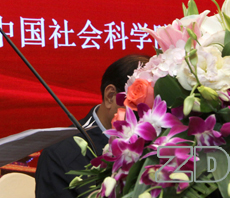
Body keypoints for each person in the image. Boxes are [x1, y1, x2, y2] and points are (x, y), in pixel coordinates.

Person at [34, 54, 150, 198]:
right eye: (139, 108)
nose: (147, 120)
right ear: (110, 96)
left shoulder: (158, 147)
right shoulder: (59, 155)